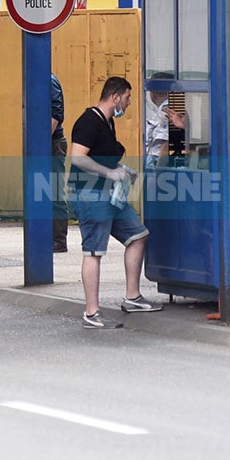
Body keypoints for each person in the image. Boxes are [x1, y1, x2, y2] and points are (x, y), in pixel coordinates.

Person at [69, 76, 163, 328]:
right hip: (90, 194)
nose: (129, 103)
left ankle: (132, 297)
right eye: (128, 97)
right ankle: (92, 312)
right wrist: (110, 173)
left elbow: (101, 157)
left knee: (138, 235)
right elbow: (78, 158)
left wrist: (121, 169)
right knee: (94, 251)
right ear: (115, 97)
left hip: (110, 194)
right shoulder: (89, 121)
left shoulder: (107, 122)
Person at [143, 72, 186, 169]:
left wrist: (158, 175)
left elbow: (165, 147)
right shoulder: (165, 109)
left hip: (158, 165)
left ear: (153, 93)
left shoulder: (167, 111)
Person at [50, 73, 69, 253]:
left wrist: (41, 139)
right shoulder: (37, 79)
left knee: (55, 191)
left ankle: (58, 240)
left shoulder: (49, 80)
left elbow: (56, 113)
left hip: (52, 142)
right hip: (46, 142)